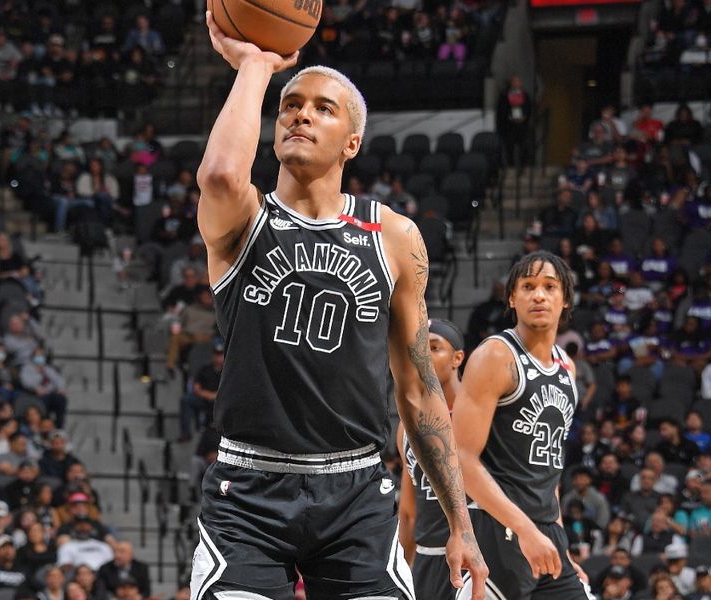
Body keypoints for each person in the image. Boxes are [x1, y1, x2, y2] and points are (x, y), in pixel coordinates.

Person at [189, 14, 486, 599]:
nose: (301, 113)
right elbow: (222, 173)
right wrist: (255, 65)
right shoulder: (246, 220)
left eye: (324, 108)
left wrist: (460, 523)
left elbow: (421, 390)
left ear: (353, 142)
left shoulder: (394, 237)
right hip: (247, 490)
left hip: (355, 493)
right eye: (290, 105)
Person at [453, 251, 592, 599]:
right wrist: (525, 530)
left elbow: (549, 469)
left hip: (545, 531)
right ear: (512, 298)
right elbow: (462, 459)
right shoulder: (495, 356)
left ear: (565, 299)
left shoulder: (566, 367)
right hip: (497, 528)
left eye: (549, 286)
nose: (539, 295)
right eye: (528, 286)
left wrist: (558, 541)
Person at [397, 319, 466, 600]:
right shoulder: (406, 425)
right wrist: (400, 570)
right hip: (427, 559)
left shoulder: (477, 417)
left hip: (473, 555)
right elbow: (408, 512)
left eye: (434, 347)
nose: (423, 355)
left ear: (457, 358)